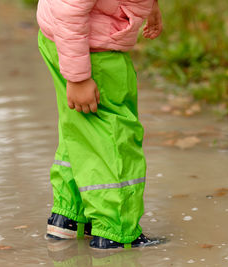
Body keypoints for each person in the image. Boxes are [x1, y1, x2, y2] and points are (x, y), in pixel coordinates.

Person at [36, 0, 163, 249]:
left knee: (82, 130)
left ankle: (71, 217)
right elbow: (69, 9)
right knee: (114, 135)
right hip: (90, 50)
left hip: (69, 39)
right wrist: (79, 77)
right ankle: (116, 230)